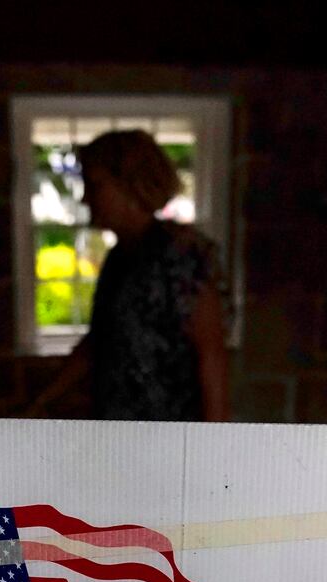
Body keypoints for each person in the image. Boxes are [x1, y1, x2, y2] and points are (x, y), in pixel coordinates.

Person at [29, 129, 231, 422]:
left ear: (131, 186)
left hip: (169, 437)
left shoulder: (182, 256)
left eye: (95, 185)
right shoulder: (121, 258)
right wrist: (41, 400)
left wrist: (216, 447)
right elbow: (100, 342)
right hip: (119, 433)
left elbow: (211, 356)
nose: (86, 198)